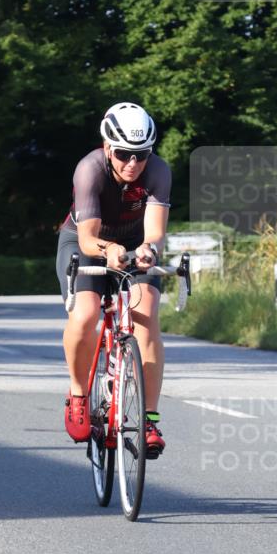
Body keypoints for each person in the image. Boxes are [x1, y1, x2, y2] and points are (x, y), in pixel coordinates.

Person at [55, 102, 171, 457]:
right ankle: (78, 394)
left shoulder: (158, 172)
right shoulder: (89, 170)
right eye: (123, 154)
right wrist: (109, 249)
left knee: (146, 315)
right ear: (108, 147)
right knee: (87, 314)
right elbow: (89, 239)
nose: (133, 164)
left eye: (141, 154)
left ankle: (148, 417)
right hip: (85, 242)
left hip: (134, 244)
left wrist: (149, 249)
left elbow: (155, 232)